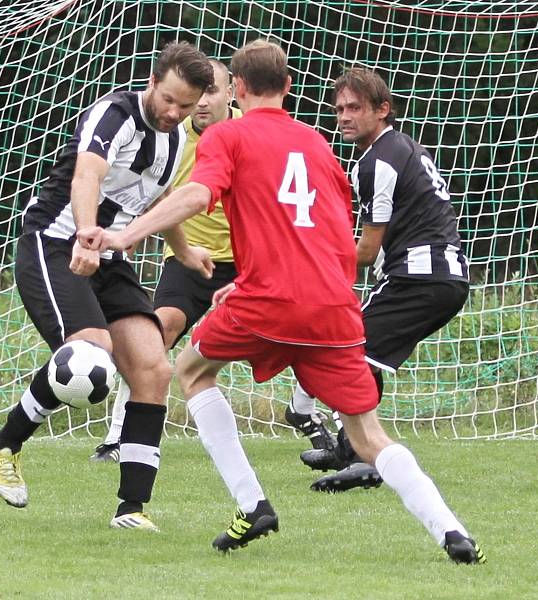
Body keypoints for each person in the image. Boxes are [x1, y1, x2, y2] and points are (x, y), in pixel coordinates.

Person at [78, 40, 485, 564]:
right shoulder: (319, 145)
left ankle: (253, 504)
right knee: (367, 433)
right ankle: (452, 532)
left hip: (270, 299)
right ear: (289, 88)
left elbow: (197, 196)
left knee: (192, 371)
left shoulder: (227, 134)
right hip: (333, 303)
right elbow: (340, 236)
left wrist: (125, 234)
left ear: (238, 89)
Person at [0, 42, 214, 532]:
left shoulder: (177, 140)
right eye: (168, 99)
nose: (174, 112)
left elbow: (161, 200)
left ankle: (131, 509)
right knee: (91, 355)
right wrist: (87, 234)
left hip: (110, 258)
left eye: (186, 106)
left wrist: (187, 251)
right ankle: (4, 443)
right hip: (57, 244)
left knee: (154, 369)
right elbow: (88, 173)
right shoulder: (115, 114)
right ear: (152, 83)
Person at [90, 59, 336, 462]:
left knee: (310, 336)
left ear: (233, 92)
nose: (201, 103)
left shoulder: (251, 133)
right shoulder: (171, 135)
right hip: (190, 261)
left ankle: (318, 422)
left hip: (251, 263)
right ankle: (119, 437)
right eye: (196, 95)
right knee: (158, 331)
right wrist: (129, 227)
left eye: (212, 92)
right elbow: (151, 188)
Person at [291, 67, 473, 493]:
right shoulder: (400, 148)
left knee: (349, 353)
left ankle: (359, 456)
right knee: (358, 353)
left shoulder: (377, 162)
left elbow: (367, 250)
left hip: (419, 278)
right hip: (438, 277)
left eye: (355, 107)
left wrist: (306, 262)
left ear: (382, 110)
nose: (344, 116)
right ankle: (348, 446)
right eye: (339, 108)